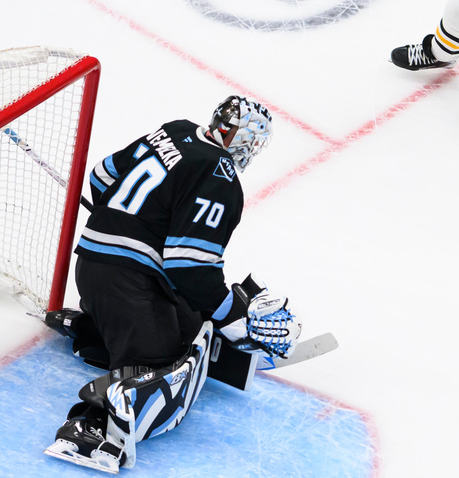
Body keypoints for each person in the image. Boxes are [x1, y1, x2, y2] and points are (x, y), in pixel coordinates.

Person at [42, 96, 301, 472]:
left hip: (95, 268)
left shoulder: (176, 130)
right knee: (159, 363)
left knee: (188, 329)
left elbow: (101, 176)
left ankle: (91, 328)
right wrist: (232, 318)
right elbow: (189, 268)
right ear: (243, 140)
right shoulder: (221, 177)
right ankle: (89, 426)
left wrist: (127, 223)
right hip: (125, 283)